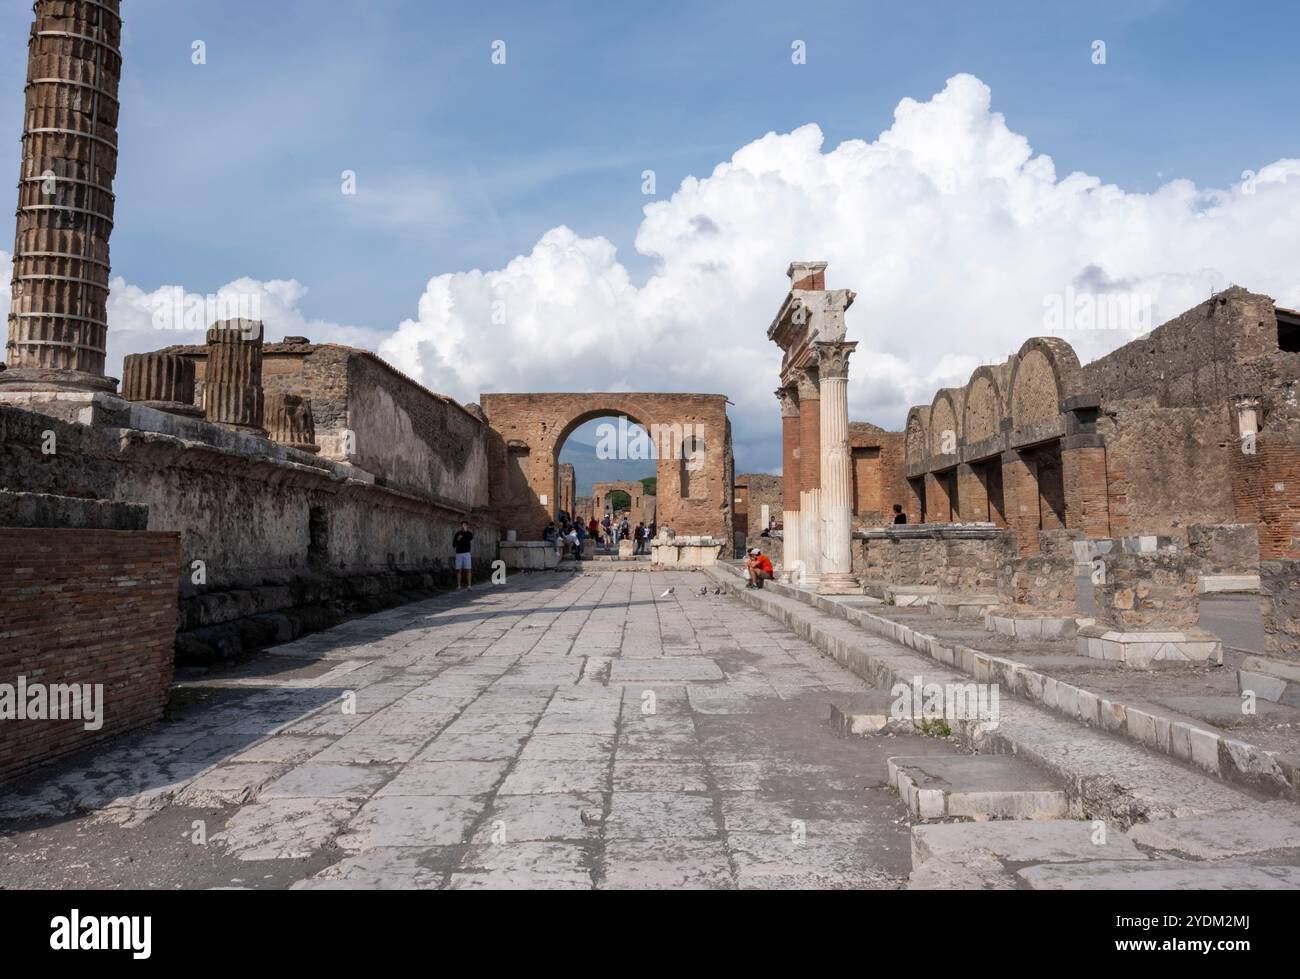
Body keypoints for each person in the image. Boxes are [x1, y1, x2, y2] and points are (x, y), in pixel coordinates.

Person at [453, 520, 474, 589]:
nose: (463, 526)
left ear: (467, 526)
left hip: (467, 553)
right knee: (458, 570)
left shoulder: (469, 533)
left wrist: (465, 532)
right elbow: (454, 545)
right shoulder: (458, 534)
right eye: (462, 525)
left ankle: (469, 585)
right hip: (459, 553)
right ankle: (459, 585)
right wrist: (458, 539)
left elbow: (470, 538)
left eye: (465, 525)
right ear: (461, 526)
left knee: (468, 569)